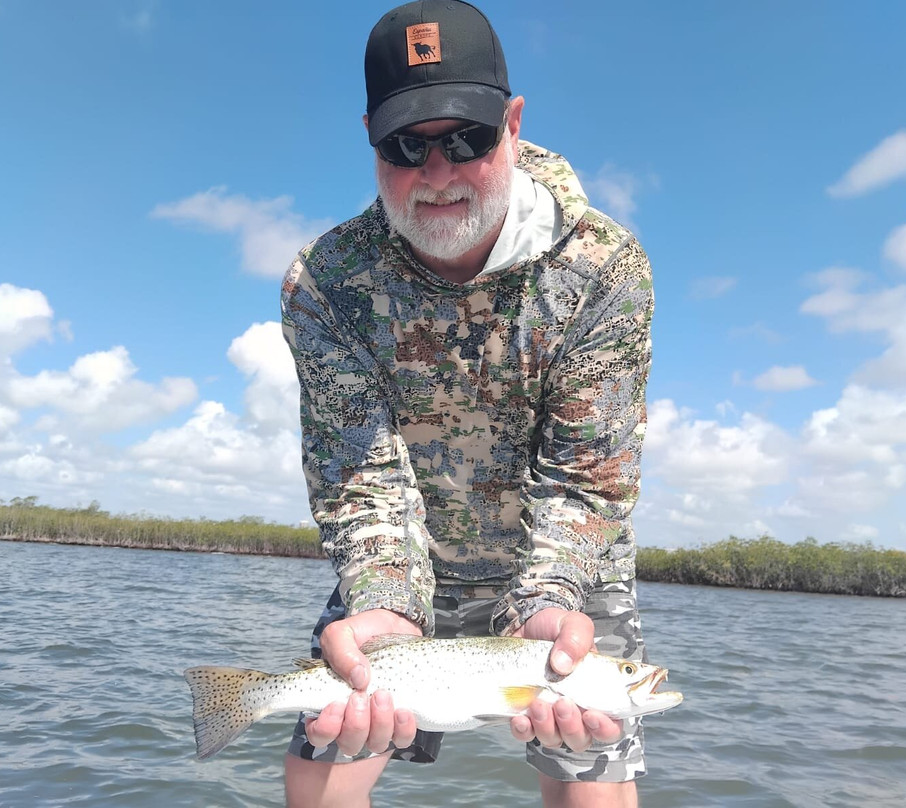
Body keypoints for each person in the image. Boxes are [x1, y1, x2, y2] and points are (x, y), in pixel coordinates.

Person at [279, 2, 654, 806]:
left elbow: (585, 480)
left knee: (589, 778)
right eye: (407, 146)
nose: (438, 173)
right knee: (319, 775)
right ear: (372, 139)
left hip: (566, 574)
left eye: (467, 140)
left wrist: (549, 602)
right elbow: (360, 476)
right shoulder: (323, 283)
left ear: (512, 125)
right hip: (405, 558)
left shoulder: (606, 268)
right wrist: (384, 602)